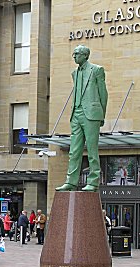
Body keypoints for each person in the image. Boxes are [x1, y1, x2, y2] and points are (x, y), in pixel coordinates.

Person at [56, 45, 108, 192]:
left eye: (77, 53)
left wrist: (101, 114)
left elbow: (103, 94)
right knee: (74, 150)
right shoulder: (75, 73)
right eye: (73, 54)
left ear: (85, 55)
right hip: (76, 114)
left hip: (91, 115)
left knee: (92, 150)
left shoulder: (97, 70)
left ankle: (93, 181)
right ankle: (71, 182)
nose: (74, 56)